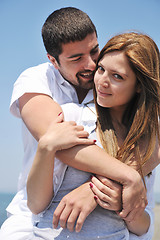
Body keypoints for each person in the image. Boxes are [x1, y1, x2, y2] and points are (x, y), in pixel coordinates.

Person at [0, 7, 156, 239]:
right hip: (36, 222)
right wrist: (127, 177)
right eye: (76, 58)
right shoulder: (37, 81)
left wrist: (94, 191)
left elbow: (142, 218)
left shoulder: (141, 126)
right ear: (53, 61)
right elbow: (61, 143)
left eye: (95, 52)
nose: (92, 66)